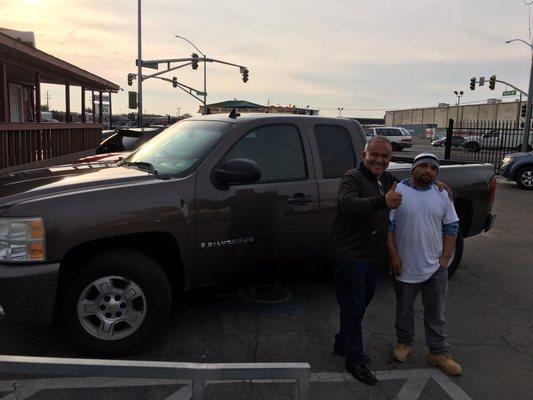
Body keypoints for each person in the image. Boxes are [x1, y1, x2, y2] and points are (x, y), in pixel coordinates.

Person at [330, 135, 401, 385]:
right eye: (375, 155)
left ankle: (343, 343)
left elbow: (409, 186)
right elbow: (348, 204)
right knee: (353, 305)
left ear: (390, 159)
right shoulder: (352, 178)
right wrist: (382, 201)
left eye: (385, 157)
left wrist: (437, 184)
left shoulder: (386, 179)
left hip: (372, 255)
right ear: (364, 155)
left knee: (360, 304)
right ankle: (354, 359)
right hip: (350, 255)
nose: (379, 160)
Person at [387, 152, 462, 376]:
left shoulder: (441, 193)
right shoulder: (398, 192)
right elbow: (388, 228)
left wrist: (445, 259)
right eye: (423, 166)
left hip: (435, 267)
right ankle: (404, 343)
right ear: (413, 169)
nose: (427, 171)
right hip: (405, 265)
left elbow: (451, 227)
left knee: (436, 312)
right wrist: (393, 256)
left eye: (433, 168)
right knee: (404, 309)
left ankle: (438, 352)